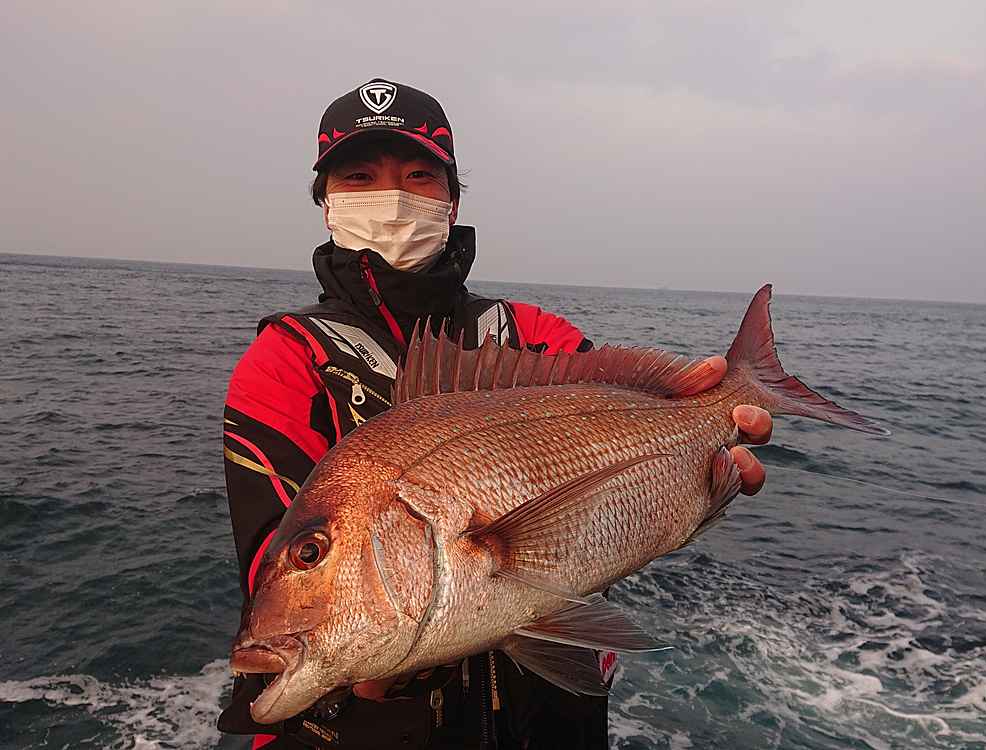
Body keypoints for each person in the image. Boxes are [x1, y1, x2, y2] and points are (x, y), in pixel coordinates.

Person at [218, 78, 773, 749]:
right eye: (359, 177)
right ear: (326, 202)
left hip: (548, 723)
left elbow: (625, 477)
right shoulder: (287, 359)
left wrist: (705, 463)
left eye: (418, 176)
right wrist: (360, 649)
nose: (391, 197)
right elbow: (269, 553)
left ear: (451, 201)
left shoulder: (534, 336)